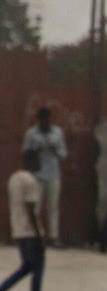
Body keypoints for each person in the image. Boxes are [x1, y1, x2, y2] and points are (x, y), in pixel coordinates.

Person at [0, 148, 55, 291]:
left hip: (19, 231)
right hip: (30, 232)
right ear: (31, 161)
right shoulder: (31, 181)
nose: (40, 164)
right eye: (38, 160)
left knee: (25, 268)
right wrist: (40, 236)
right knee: (38, 267)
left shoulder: (13, 179)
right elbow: (31, 210)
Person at [23, 106, 67, 247]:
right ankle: (33, 236)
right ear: (39, 120)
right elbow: (25, 154)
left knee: (53, 207)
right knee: (35, 207)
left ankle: (53, 237)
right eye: (43, 120)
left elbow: (63, 154)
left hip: (53, 174)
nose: (46, 123)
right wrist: (38, 149)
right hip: (37, 174)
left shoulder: (57, 133)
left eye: (48, 120)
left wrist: (55, 150)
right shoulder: (31, 134)